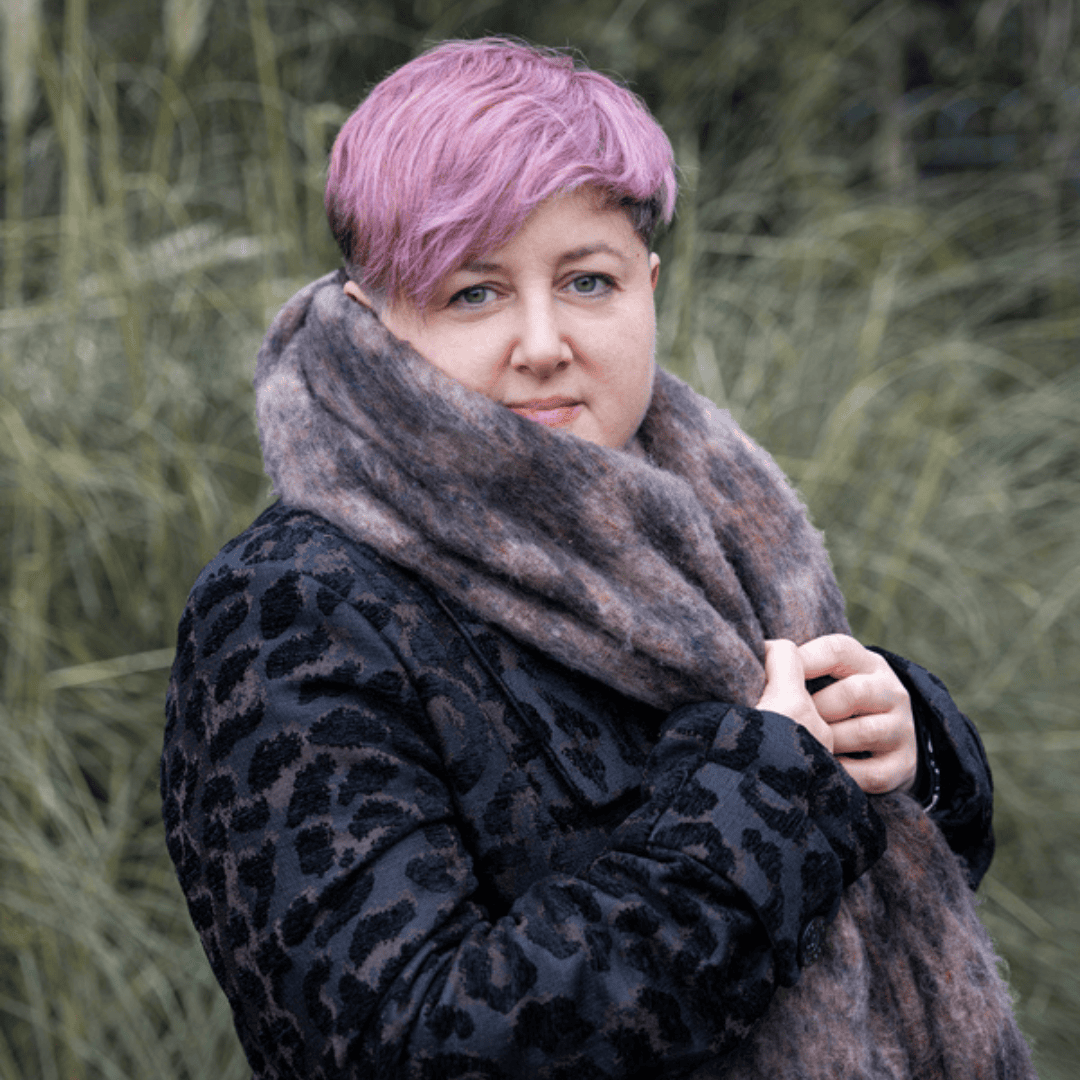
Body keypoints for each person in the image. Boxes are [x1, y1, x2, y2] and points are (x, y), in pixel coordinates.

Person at [162, 38, 1001, 1079]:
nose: (545, 340)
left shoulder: (712, 526)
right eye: (474, 292)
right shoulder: (292, 609)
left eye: (588, 280)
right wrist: (771, 803)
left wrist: (908, 755)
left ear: (648, 285)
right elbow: (409, 1045)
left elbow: (864, 933)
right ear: (370, 315)